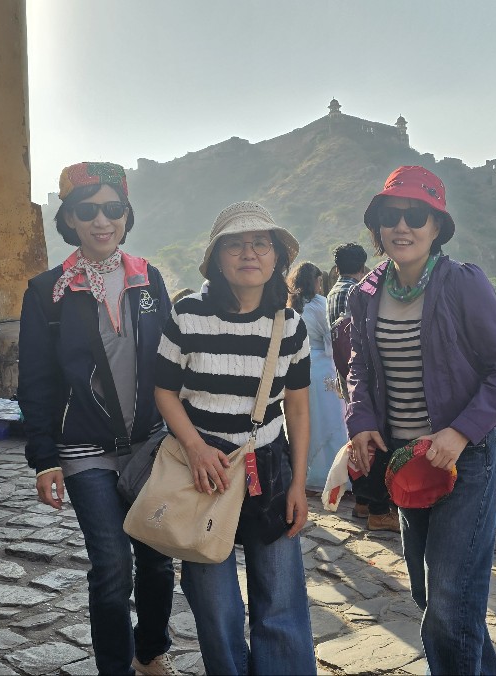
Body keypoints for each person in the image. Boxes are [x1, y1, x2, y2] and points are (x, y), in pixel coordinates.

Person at [344, 166, 496, 674]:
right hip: (406, 461)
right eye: (390, 215)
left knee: (449, 599)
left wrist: (460, 432)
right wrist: (360, 419)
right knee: (433, 595)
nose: (402, 226)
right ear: (377, 227)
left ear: (437, 226)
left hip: (463, 460)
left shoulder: (462, 284)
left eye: (416, 215)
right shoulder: (366, 293)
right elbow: (359, 366)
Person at [18, 162, 178, 676]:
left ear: (127, 215)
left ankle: (150, 652)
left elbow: (173, 361)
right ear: (69, 219)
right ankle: (115, 667)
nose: (101, 221)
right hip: (85, 449)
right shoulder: (48, 292)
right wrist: (44, 458)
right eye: (87, 211)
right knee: (111, 566)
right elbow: (36, 381)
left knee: (156, 561)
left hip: (149, 445)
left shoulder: (148, 279)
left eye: (113, 209)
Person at [155, 201, 316, 675]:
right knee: (215, 602)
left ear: (276, 257)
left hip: (269, 468)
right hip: (203, 474)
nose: (249, 253)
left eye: (260, 243)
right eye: (236, 245)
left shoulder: (290, 325)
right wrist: (195, 446)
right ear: (217, 259)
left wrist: (298, 484)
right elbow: (164, 391)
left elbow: (297, 408)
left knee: (281, 598)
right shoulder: (187, 314)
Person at [325, 242, 388, 523]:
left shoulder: (332, 293)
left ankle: (363, 501)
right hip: (362, 376)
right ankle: (373, 504)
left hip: (346, 375)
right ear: (363, 265)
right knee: (372, 441)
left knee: (359, 437)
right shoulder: (358, 292)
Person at [288, 261, 348, 494]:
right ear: (315, 281)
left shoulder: (292, 306)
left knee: (309, 420)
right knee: (333, 420)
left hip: (300, 367)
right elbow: (330, 341)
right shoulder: (320, 304)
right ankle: (335, 475)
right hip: (322, 365)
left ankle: (310, 473)